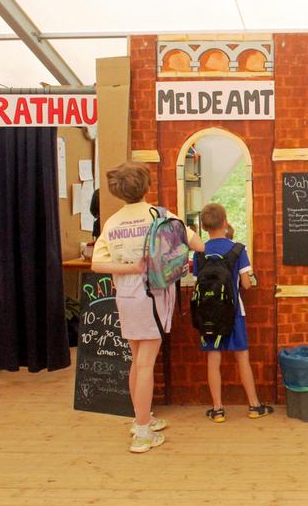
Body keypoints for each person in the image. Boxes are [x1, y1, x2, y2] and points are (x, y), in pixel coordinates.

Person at [91, 163, 204, 453]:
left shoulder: (113, 222)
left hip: (125, 295)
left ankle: (141, 418)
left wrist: (128, 266)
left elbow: (97, 264)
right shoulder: (161, 215)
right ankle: (142, 433)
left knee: (136, 357)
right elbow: (199, 245)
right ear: (146, 186)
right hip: (153, 295)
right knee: (145, 362)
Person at [193, 203, 273, 423]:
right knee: (242, 357)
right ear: (225, 222)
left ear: (204, 226)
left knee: (213, 358)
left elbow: (197, 280)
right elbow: (246, 285)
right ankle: (254, 405)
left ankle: (218, 409)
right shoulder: (237, 249)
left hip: (209, 314)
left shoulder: (200, 252)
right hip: (234, 312)